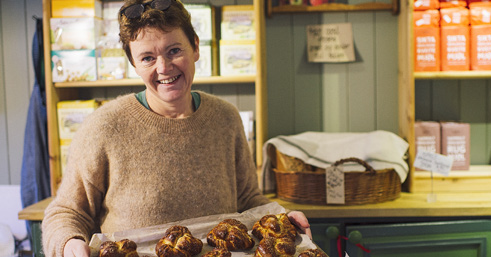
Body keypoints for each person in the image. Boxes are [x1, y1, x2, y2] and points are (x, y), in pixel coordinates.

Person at [41, 0, 311, 256]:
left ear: (195, 47)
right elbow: (67, 212)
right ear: (133, 64)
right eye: (147, 58)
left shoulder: (226, 118)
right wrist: (69, 244)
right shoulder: (103, 127)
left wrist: (280, 219)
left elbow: (247, 199)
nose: (164, 67)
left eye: (174, 50)